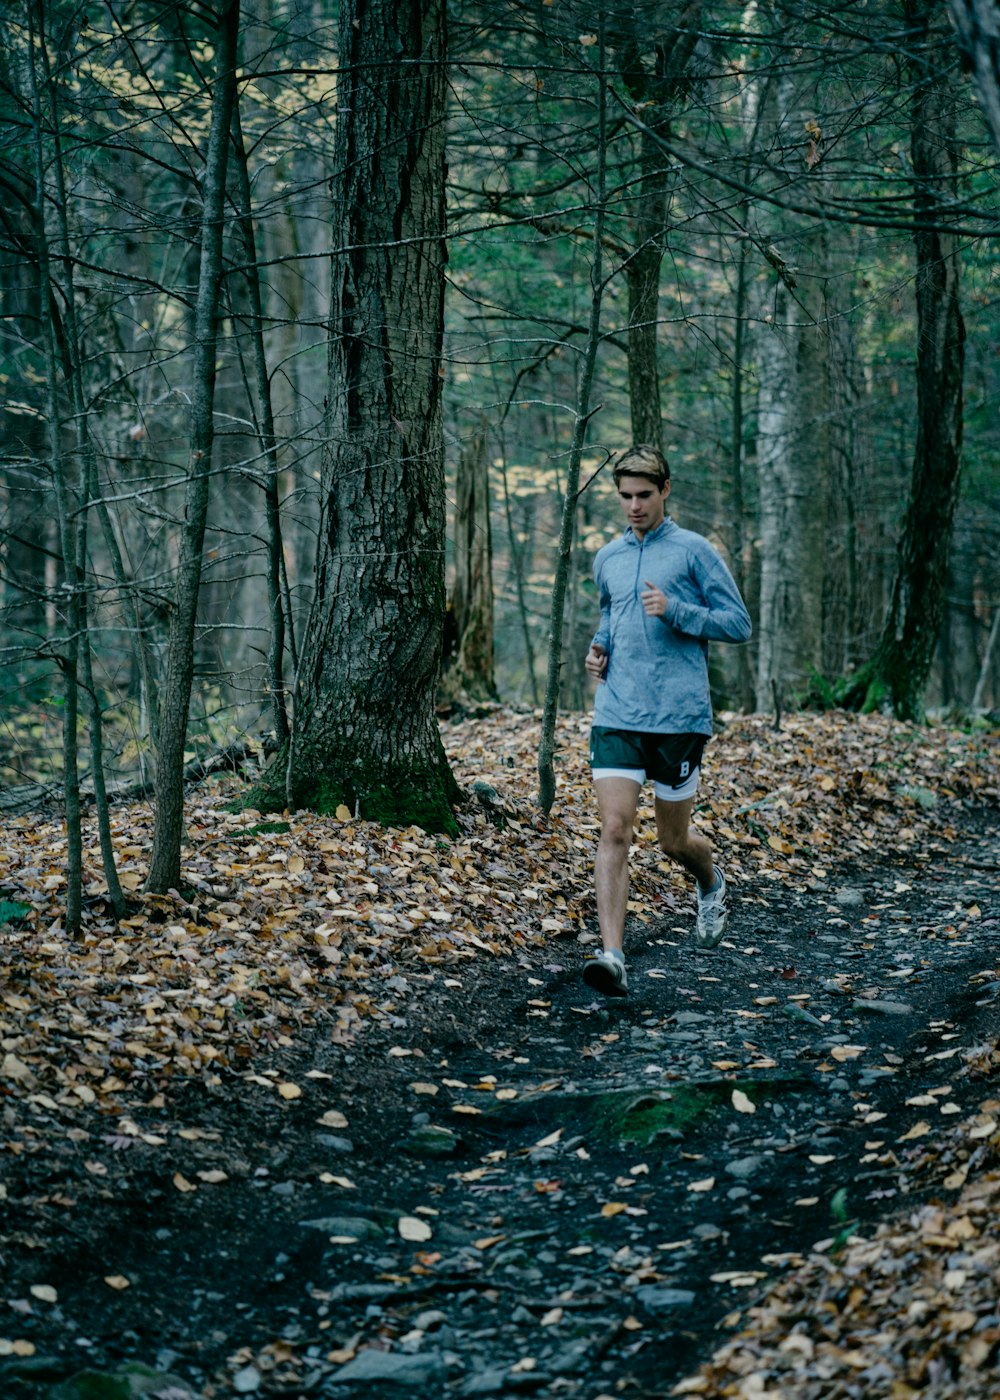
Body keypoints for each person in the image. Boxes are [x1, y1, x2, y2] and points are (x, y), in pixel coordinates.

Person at [583, 444, 752, 997]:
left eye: (644, 496)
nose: (633, 507)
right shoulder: (607, 556)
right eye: (625, 497)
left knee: (672, 842)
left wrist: (678, 612)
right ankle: (612, 956)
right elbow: (611, 611)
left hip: (678, 716)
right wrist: (599, 647)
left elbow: (738, 624)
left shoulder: (694, 552)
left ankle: (709, 881)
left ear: (665, 491)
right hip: (618, 711)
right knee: (614, 829)